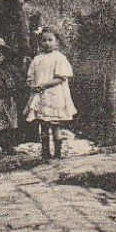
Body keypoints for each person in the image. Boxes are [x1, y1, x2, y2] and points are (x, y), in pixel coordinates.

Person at [25, 29, 77, 161]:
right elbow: (31, 77)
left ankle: (58, 154)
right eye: (44, 40)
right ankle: (45, 153)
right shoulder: (37, 59)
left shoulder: (59, 57)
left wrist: (44, 85)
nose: (47, 43)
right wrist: (34, 86)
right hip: (41, 97)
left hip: (54, 96)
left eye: (50, 40)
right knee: (43, 125)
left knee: (55, 125)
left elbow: (60, 78)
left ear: (56, 42)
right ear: (39, 43)